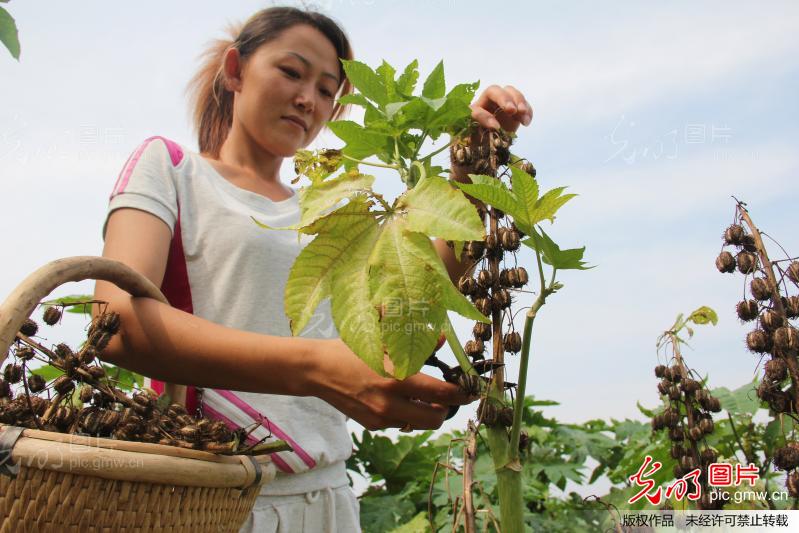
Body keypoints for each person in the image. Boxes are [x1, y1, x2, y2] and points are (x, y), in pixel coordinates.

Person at [95, 6, 533, 532]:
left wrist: (467, 175)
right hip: (214, 495)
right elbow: (113, 322)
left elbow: (404, 310)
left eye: (328, 90)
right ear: (235, 70)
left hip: (328, 495)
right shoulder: (171, 168)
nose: (309, 99)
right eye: (292, 72)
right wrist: (319, 369)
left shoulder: (332, 208)